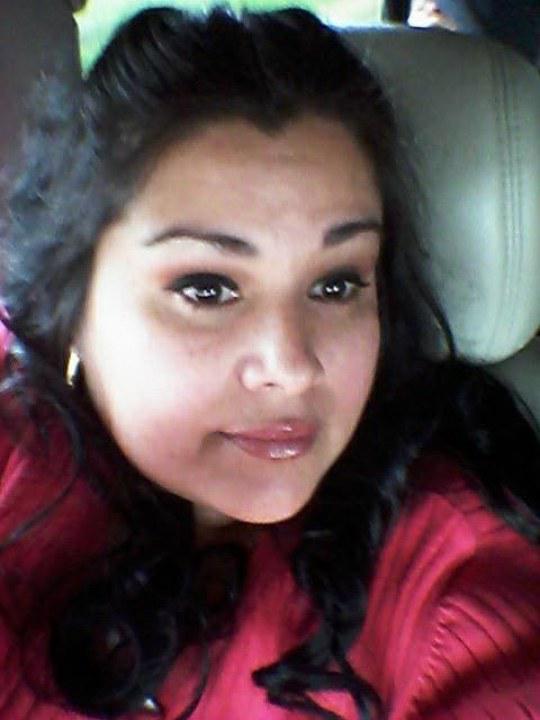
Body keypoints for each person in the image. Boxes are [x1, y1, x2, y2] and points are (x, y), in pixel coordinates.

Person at [1, 7, 539, 720]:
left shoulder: (449, 578)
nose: (292, 367)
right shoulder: (19, 477)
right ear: (70, 307)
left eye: (336, 285)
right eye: (207, 289)